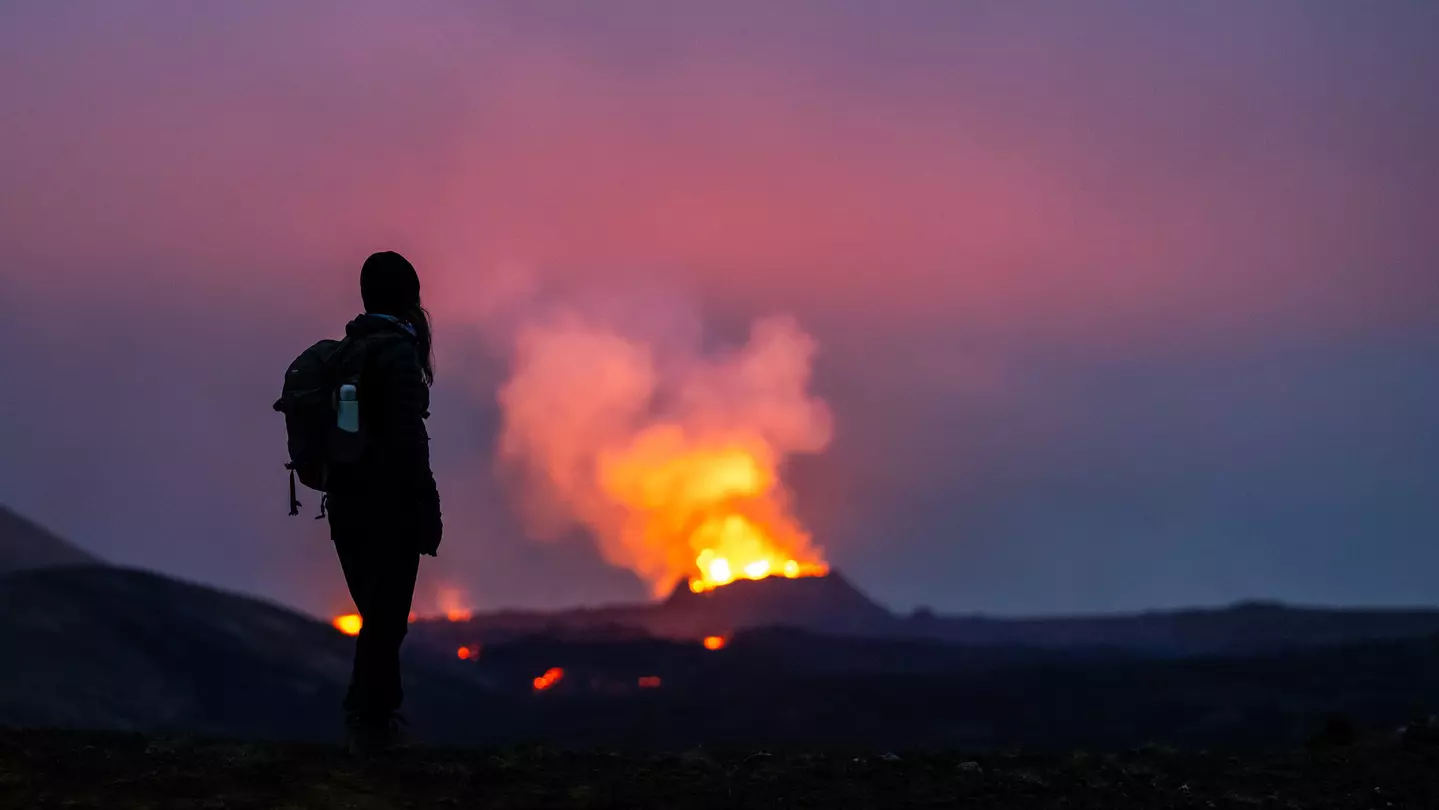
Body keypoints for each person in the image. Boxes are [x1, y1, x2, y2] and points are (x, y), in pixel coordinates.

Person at [326, 250, 443, 754]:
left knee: (376, 613)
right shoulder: (397, 353)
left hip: (345, 502)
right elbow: (406, 438)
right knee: (386, 617)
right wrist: (426, 505)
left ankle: (371, 723)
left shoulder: (349, 349)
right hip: (388, 505)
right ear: (408, 295)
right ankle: (372, 726)